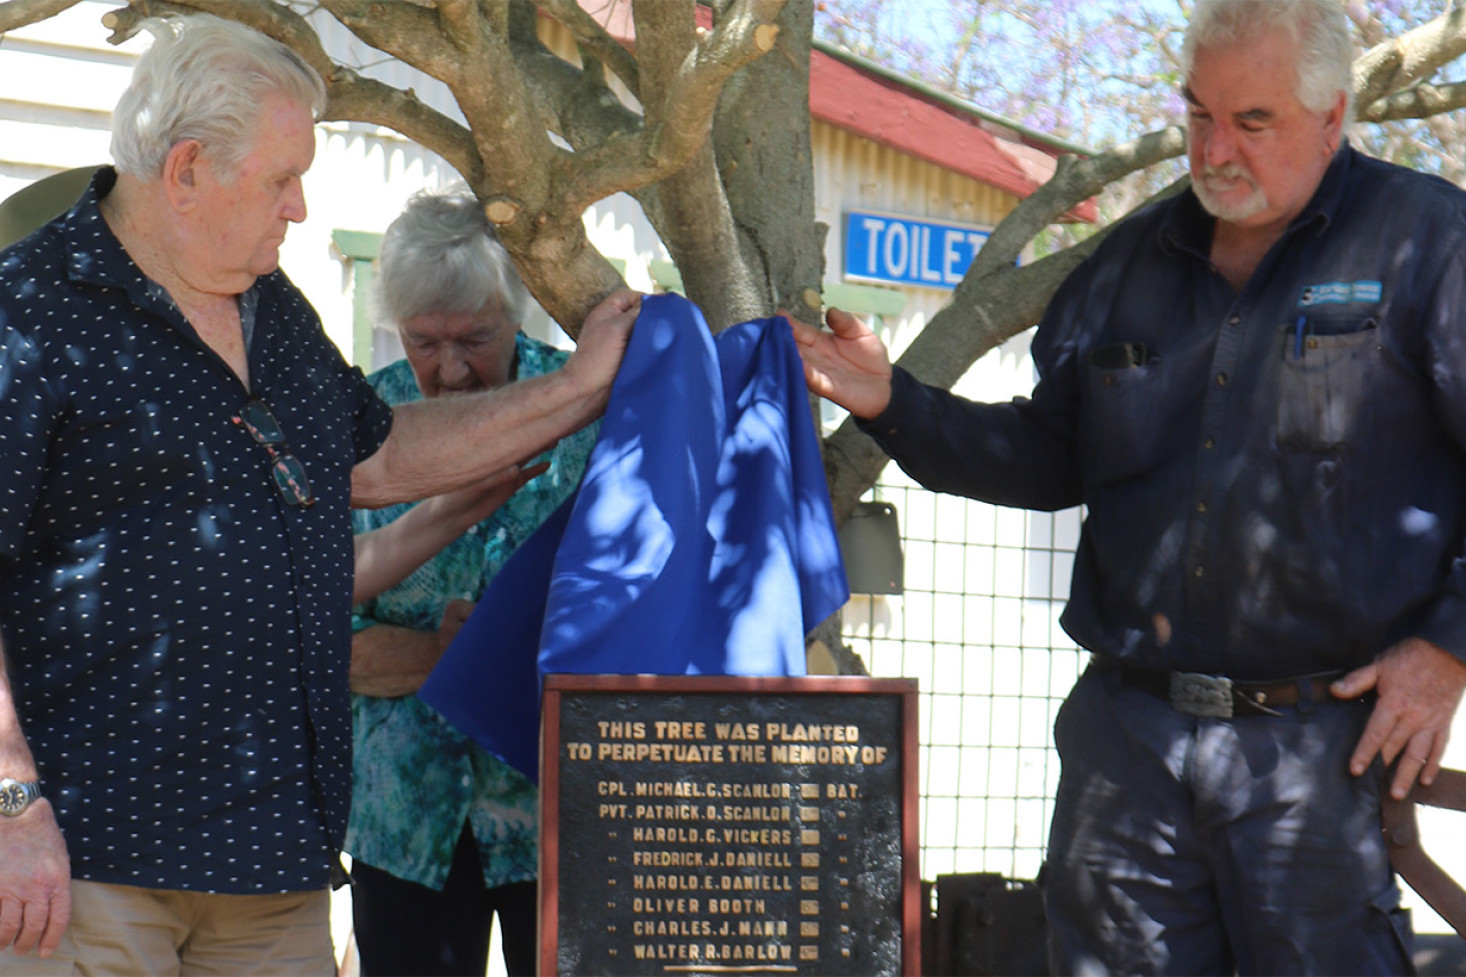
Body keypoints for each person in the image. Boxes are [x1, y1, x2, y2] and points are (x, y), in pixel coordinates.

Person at [794, 0, 1466, 971]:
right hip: (1128, 737)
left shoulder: (1427, 245)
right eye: (1198, 114)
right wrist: (890, 400)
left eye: (1252, 121)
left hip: (1316, 743)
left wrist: (1446, 648)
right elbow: (1040, 454)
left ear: (1330, 118)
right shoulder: (1127, 261)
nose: (1214, 148)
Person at [0, 14, 639, 975]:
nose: (300, 208)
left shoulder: (268, 303)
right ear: (185, 171)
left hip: (272, 861)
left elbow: (376, 454)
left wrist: (577, 387)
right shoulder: (30, 312)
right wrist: (10, 802)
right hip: (93, 864)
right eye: (280, 179)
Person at [345, 191, 597, 977]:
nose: (451, 369)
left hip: (558, 816)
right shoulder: (360, 420)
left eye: (476, 339)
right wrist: (445, 653)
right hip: (404, 821)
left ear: (515, 315)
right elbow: (314, 636)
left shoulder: (587, 411)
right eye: (425, 341)